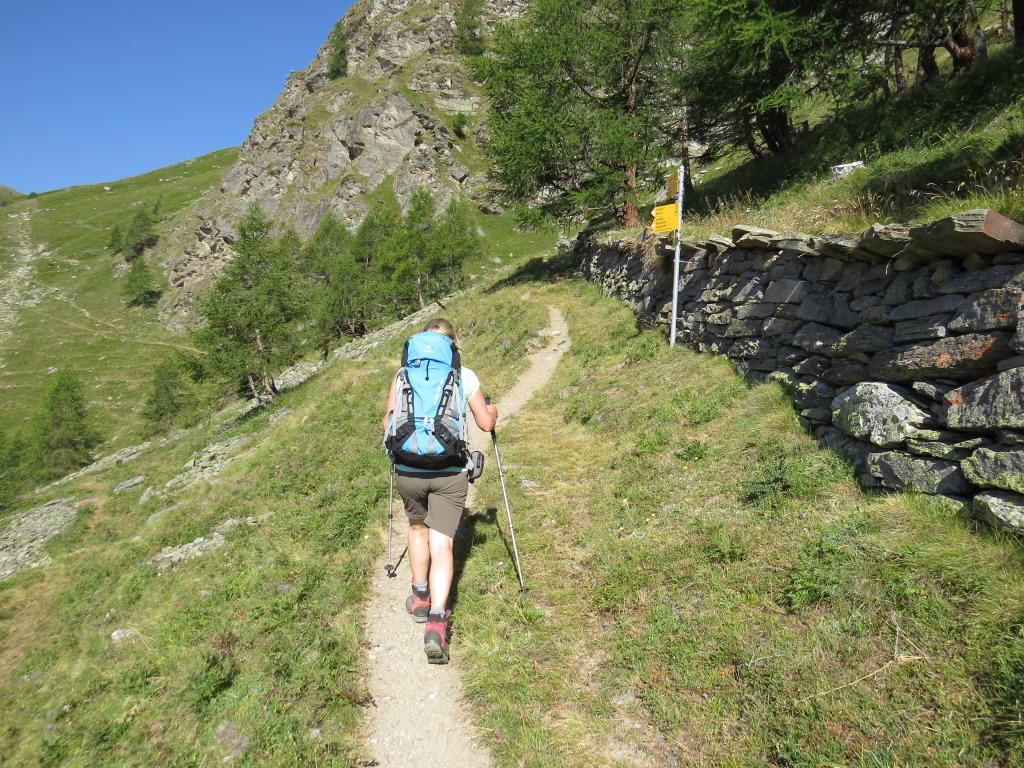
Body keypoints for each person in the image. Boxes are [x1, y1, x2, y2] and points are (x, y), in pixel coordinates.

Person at [381, 318, 497, 664]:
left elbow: (388, 421)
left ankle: (419, 596)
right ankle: (436, 623)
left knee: (417, 528)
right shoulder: (465, 375)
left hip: (408, 469)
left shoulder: (403, 375)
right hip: (449, 471)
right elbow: (485, 423)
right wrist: (493, 409)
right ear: (453, 345)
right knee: (442, 543)